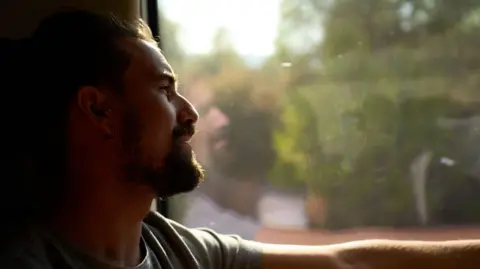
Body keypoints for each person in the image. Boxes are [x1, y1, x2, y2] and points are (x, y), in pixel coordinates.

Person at [0, 9, 479, 269]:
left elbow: (346, 260)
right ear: (99, 109)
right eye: (166, 91)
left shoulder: (177, 248)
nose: (189, 115)